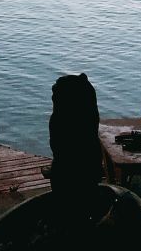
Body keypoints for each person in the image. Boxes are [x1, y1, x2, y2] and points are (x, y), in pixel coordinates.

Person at [47, 73, 104, 229]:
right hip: (90, 168)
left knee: (69, 214)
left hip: (68, 173)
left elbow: (58, 148)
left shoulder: (60, 120)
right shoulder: (88, 115)